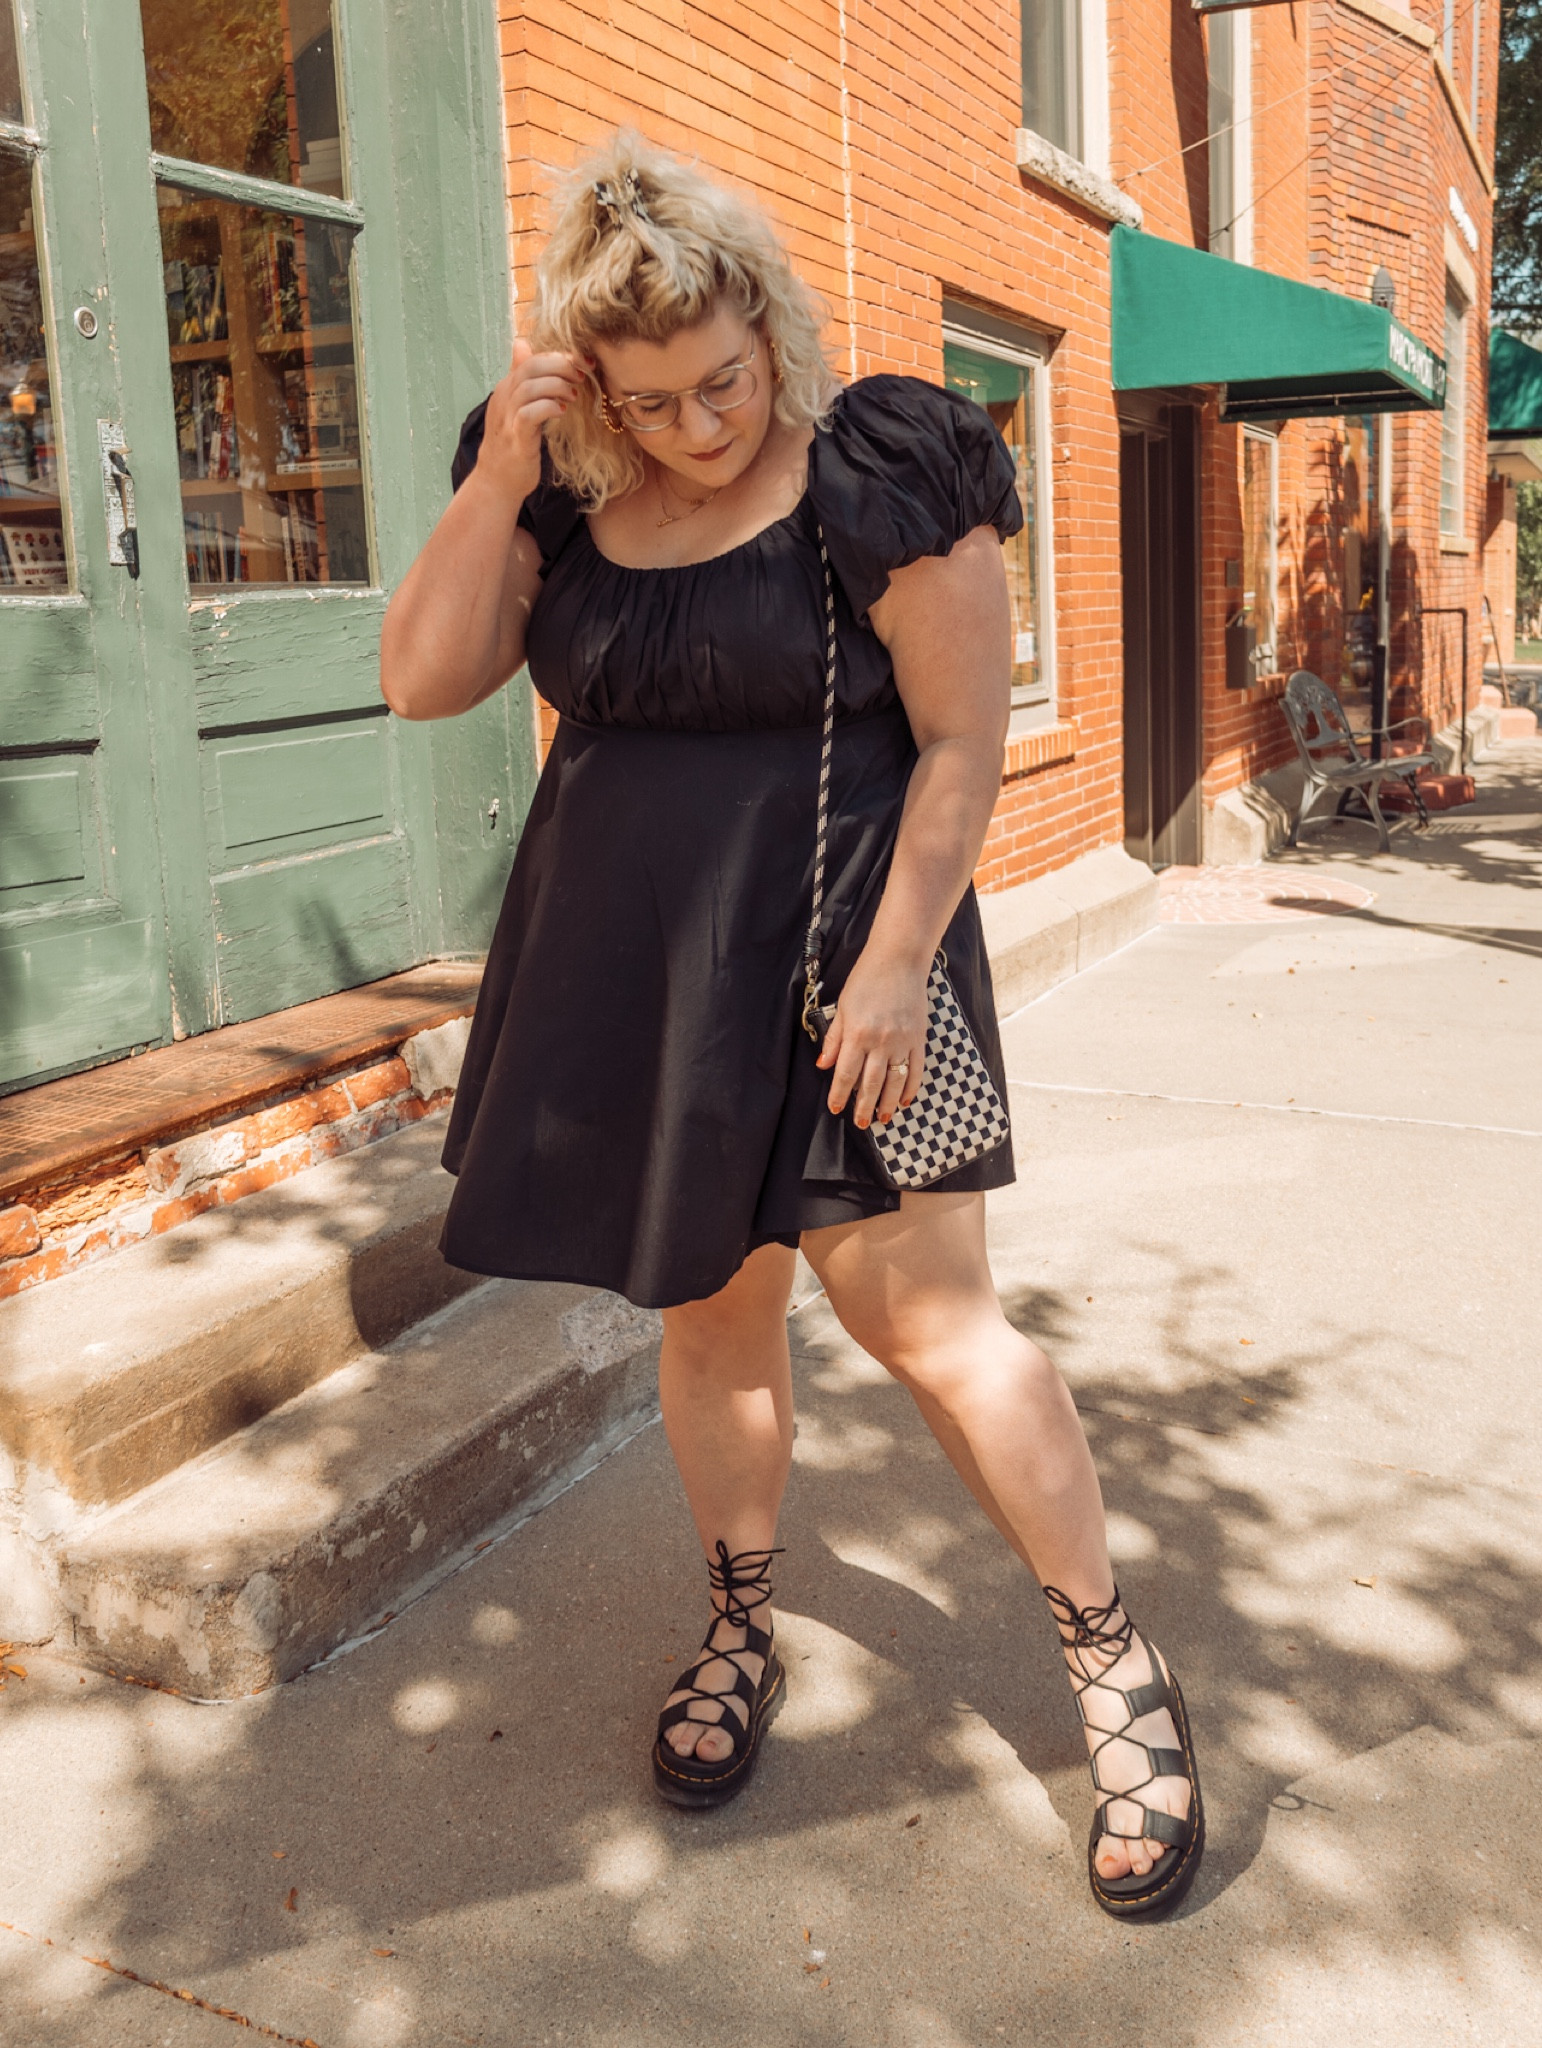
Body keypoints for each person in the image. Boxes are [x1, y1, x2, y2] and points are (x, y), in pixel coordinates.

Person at [380, 134, 1203, 1920]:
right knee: (712, 1328)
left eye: (721, 381)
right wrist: (508, 460)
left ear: (772, 320)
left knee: (936, 1334)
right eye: (647, 396)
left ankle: (1113, 1671)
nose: (692, 426)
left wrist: (907, 957)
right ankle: (742, 1623)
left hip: (856, 970)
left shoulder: (876, 468)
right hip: (637, 991)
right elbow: (426, 675)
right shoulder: (546, 488)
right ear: (590, 378)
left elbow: (967, 743)